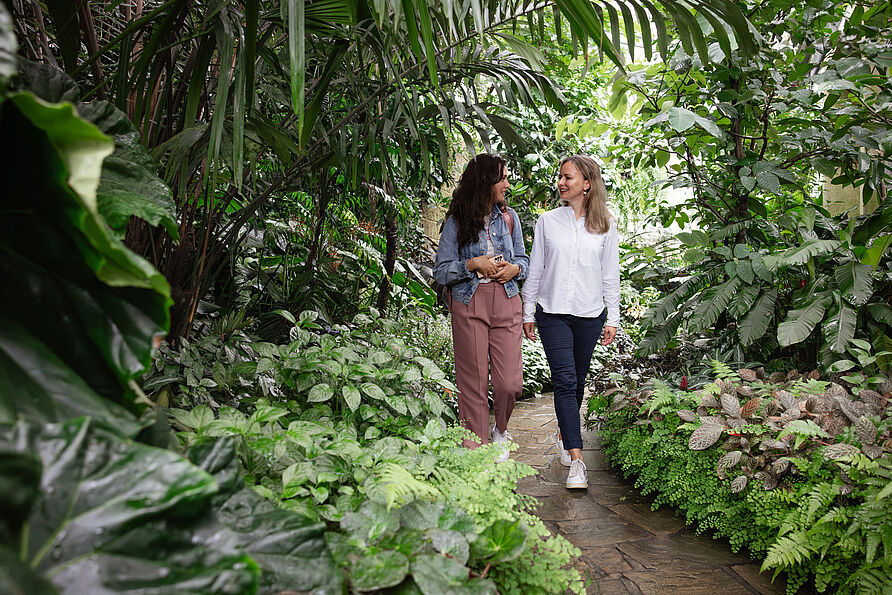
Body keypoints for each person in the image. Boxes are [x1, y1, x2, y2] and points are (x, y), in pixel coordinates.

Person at [521, 155, 619, 489]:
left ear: (587, 183)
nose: (561, 183)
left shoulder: (606, 222)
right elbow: (536, 268)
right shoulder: (548, 221)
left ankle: (566, 434)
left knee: (577, 380)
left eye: (568, 178)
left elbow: (610, 274)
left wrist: (614, 317)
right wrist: (527, 310)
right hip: (552, 313)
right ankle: (578, 460)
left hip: (590, 314)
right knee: (564, 380)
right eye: (560, 177)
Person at [433, 154, 529, 461]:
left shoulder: (510, 218)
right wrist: (473, 263)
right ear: (485, 183)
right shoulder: (457, 222)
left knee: (510, 383)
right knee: (472, 382)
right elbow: (442, 271)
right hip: (469, 301)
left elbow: (524, 261)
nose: (507, 185)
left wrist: (515, 269)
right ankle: (475, 452)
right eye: (502, 179)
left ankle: (501, 429)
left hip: (506, 299)